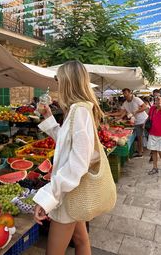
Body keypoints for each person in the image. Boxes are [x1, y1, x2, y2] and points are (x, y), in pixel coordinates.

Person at [32, 60, 103, 255]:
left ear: (68, 81)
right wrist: (48, 118)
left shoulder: (79, 111)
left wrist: (48, 197)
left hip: (67, 192)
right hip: (72, 190)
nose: (57, 85)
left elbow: (77, 163)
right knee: (81, 240)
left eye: (59, 80)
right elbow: (66, 143)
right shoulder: (77, 110)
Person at [109, 88, 148, 157]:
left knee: (147, 136)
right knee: (139, 136)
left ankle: (147, 151)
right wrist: (112, 116)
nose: (125, 95)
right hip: (137, 122)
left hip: (144, 119)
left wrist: (136, 111)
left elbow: (145, 107)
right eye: (124, 93)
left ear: (130, 93)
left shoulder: (136, 99)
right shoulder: (125, 103)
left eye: (126, 93)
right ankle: (140, 151)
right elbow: (121, 113)